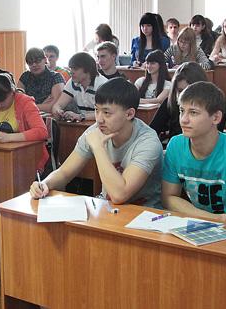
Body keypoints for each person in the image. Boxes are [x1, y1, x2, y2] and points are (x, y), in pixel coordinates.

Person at [30, 78, 162, 207]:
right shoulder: (95, 131)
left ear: (129, 114)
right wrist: (44, 184)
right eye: (96, 110)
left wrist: (98, 148)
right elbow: (64, 173)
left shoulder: (148, 141)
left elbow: (119, 195)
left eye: (106, 113)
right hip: (107, 208)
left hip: (144, 215)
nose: (99, 119)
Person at [162, 81, 226, 223]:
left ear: (216, 118)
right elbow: (168, 198)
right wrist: (211, 218)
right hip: (205, 223)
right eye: (181, 111)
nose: (183, 119)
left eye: (193, 112)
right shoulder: (175, 145)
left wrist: (205, 218)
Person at [0, 74, 49, 172]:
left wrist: (8, 137)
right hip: (2, 157)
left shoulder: (25, 102)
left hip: (30, 159)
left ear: (11, 92)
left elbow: (42, 132)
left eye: (1, 101)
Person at [150, 62, 218, 143]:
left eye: (189, 91)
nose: (184, 96)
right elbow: (151, 132)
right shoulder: (170, 103)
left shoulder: (213, 106)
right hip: (176, 151)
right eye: (180, 91)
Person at [52, 52, 108, 121]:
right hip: (84, 125)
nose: (71, 72)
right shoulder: (72, 82)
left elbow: (105, 113)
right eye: (71, 68)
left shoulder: (103, 85)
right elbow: (58, 105)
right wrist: (58, 111)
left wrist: (80, 116)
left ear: (87, 70)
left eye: (75, 69)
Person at [18, 47, 65, 113]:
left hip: (50, 119)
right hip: (27, 116)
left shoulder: (56, 77)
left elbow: (52, 107)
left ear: (45, 59)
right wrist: (43, 105)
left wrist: (27, 105)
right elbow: (18, 103)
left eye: (37, 61)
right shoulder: (25, 76)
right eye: (30, 63)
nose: (34, 65)